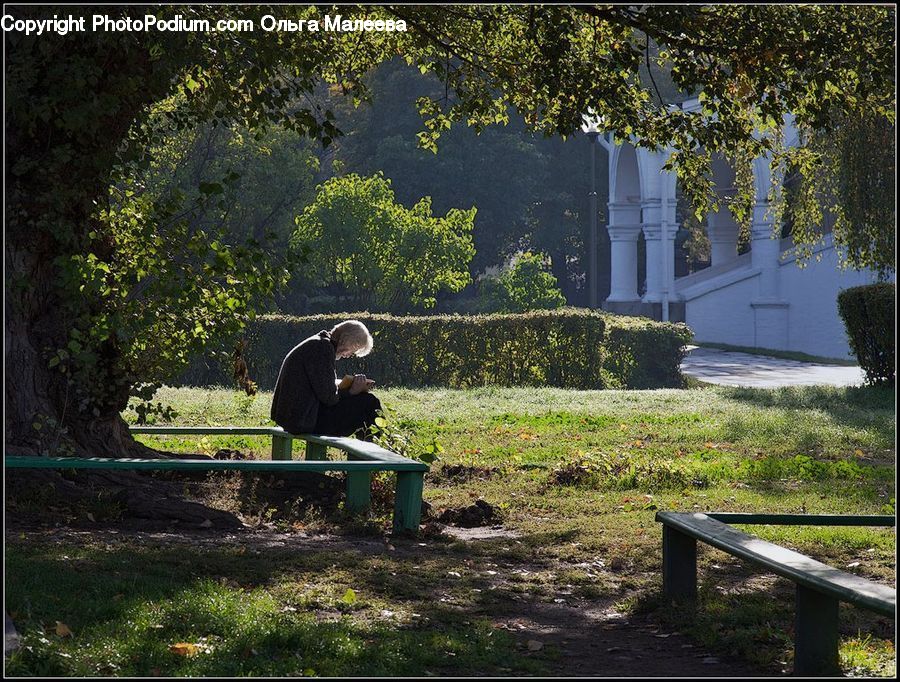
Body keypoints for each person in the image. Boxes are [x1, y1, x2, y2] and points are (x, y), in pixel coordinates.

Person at [270, 320, 381, 439]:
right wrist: (352, 391)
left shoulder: (318, 343)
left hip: (295, 417)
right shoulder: (322, 348)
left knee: (364, 402)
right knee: (369, 402)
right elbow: (329, 398)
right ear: (346, 341)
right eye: (353, 350)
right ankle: (373, 452)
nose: (348, 355)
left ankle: (365, 450)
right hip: (302, 420)